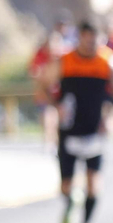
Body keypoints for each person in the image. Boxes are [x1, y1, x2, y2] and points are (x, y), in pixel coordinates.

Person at [44, 20, 113, 223]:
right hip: (69, 130)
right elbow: (43, 84)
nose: (91, 44)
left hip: (96, 130)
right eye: (87, 39)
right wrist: (56, 106)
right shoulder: (64, 61)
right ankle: (71, 200)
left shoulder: (109, 63)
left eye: (95, 40)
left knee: (94, 183)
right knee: (66, 185)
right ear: (80, 38)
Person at [29, 19, 71, 148]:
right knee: (47, 113)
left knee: (59, 116)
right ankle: (48, 141)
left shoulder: (65, 55)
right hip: (44, 92)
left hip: (60, 91)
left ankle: (57, 140)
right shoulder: (40, 54)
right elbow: (33, 71)